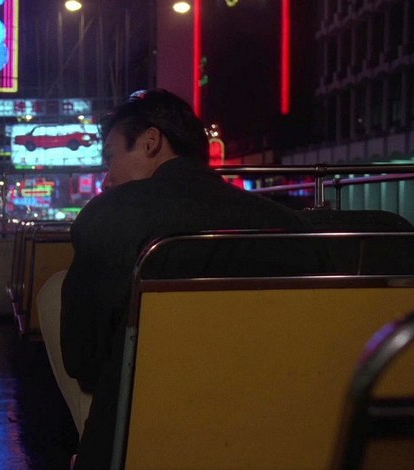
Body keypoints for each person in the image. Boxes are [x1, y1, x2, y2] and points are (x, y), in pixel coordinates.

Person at [39, 88, 322, 469]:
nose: (106, 180)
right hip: (272, 426)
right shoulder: (282, 223)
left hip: (139, 437)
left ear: (151, 142)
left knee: (57, 292)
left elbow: (82, 360)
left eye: (111, 157)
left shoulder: (109, 215)